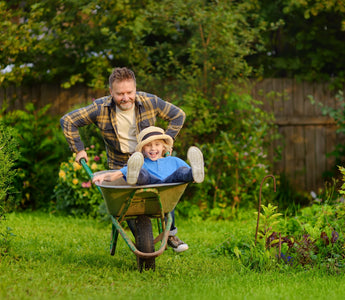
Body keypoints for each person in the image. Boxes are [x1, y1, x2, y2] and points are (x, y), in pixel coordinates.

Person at [60, 67, 188, 252]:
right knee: (128, 202)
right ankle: (146, 242)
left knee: (166, 184)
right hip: (119, 165)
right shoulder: (101, 108)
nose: (126, 97)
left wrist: (166, 142)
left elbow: (178, 115)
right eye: (120, 93)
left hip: (149, 160)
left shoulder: (150, 101)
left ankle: (170, 234)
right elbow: (68, 121)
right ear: (111, 91)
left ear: (135, 89)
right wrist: (79, 150)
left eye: (130, 92)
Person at [92, 126, 205, 186]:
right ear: (142, 149)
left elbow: (184, 175)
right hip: (150, 186)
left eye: (157, 144)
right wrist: (104, 176)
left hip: (170, 185)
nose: (153, 148)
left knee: (181, 171)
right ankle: (135, 175)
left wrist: (193, 177)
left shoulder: (174, 161)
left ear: (163, 147)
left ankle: (195, 172)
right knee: (143, 173)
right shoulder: (141, 163)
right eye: (148, 146)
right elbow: (117, 174)